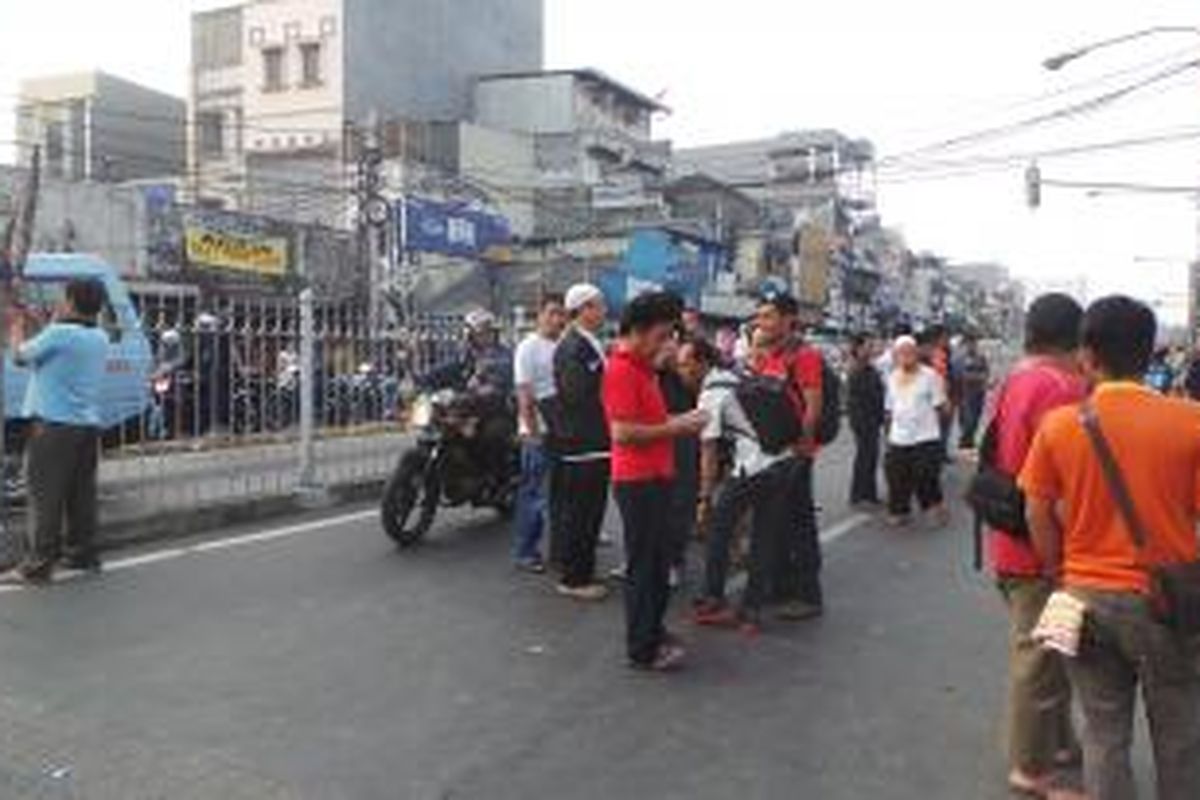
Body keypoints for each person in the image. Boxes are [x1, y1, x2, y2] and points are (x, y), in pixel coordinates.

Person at [1021, 295, 1200, 800]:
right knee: (1180, 730)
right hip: (1167, 599)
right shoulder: (1191, 422)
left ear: (1088, 355)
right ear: (1151, 354)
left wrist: (1059, 570)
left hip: (1084, 598)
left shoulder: (1060, 425)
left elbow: (1036, 509)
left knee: (1102, 731)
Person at [987, 293, 1087, 799]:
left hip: (1011, 540)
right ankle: (1029, 766)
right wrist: (1061, 562)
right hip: (1045, 546)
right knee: (1040, 656)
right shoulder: (1062, 388)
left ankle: (1061, 744)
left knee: (1055, 645)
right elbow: (1061, 486)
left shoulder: (1018, 380)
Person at [602, 291, 708, 671]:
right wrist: (679, 425)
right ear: (639, 331)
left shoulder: (644, 367)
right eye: (662, 335)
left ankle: (653, 631)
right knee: (645, 567)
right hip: (638, 482)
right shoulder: (621, 369)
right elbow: (624, 433)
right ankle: (643, 648)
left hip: (657, 477)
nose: (666, 344)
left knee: (658, 563)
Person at [1, 279, 109, 585]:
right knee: (80, 495)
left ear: (72, 301)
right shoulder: (99, 337)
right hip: (86, 426)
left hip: (53, 426)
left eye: (63, 298)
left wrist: (15, 326)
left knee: (45, 496)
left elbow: (20, 356)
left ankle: (37, 565)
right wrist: (44, 322)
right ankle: (82, 554)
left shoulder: (60, 334)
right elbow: (54, 347)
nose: (59, 303)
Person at [687, 337, 794, 634]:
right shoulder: (738, 378)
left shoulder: (711, 394)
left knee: (719, 530)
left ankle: (713, 599)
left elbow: (708, 451)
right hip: (782, 463)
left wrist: (704, 497)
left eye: (686, 363)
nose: (682, 369)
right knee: (763, 538)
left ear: (702, 363)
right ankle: (752, 613)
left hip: (752, 468)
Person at [749, 291, 824, 621]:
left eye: (767, 316)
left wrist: (803, 447)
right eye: (760, 316)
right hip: (771, 451)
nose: (760, 322)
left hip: (794, 453)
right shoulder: (768, 354)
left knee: (798, 523)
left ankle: (808, 596)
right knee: (772, 521)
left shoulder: (804, 356)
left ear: (787, 320)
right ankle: (778, 587)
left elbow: (813, 406)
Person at [553, 284, 612, 601]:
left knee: (591, 512)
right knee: (582, 513)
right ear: (584, 310)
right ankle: (574, 578)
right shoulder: (573, 347)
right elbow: (577, 395)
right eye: (599, 306)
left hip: (594, 439)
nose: (603, 311)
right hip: (582, 441)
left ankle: (582, 569)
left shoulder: (588, 343)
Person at [511, 294, 567, 574]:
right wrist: (532, 433)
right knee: (535, 495)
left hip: (561, 430)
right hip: (539, 433)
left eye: (562, 314)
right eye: (552, 313)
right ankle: (525, 551)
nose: (558, 319)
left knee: (557, 494)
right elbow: (525, 394)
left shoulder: (562, 346)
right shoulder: (528, 348)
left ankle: (559, 548)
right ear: (539, 315)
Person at [883, 335, 949, 527]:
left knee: (925, 475)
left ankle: (934, 508)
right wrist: (888, 434)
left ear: (917, 353)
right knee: (896, 476)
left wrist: (938, 427)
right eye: (901, 352)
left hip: (925, 436)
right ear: (896, 355)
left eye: (910, 352)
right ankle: (900, 511)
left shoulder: (930, 376)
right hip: (899, 436)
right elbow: (889, 408)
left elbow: (941, 406)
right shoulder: (892, 378)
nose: (906, 356)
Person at [658, 336, 700, 587]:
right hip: (653, 436)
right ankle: (644, 558)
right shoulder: (646, 368)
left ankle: (674, 561)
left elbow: (697, 395)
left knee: (679, 502)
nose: (665, 348)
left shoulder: (684, 369)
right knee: (652, 504)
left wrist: (680, 367)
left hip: (682, 438)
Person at [846, 333, 885, 507]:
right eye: (868, 346)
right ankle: (859, 495)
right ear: (858, 348)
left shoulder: (868, 367)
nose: (871, 349)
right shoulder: (857, 369)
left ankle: (868, 494)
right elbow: (866, 396)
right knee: (865, 456)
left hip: (871, 418)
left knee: (870, 456)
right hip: (863, 419)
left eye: (872, 345)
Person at [955, 334, 990, 449]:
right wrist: (977, 377)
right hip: (965, 392)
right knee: (966, 417)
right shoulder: (960, 358)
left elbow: (986, 372)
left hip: (979, 391)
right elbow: (960, 375)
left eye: (974, 344)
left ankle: (970, 439)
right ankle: (964, 439)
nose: (972, 346)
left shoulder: (981, 357)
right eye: (969, 344)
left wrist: (984, 380)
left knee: (976, 416)